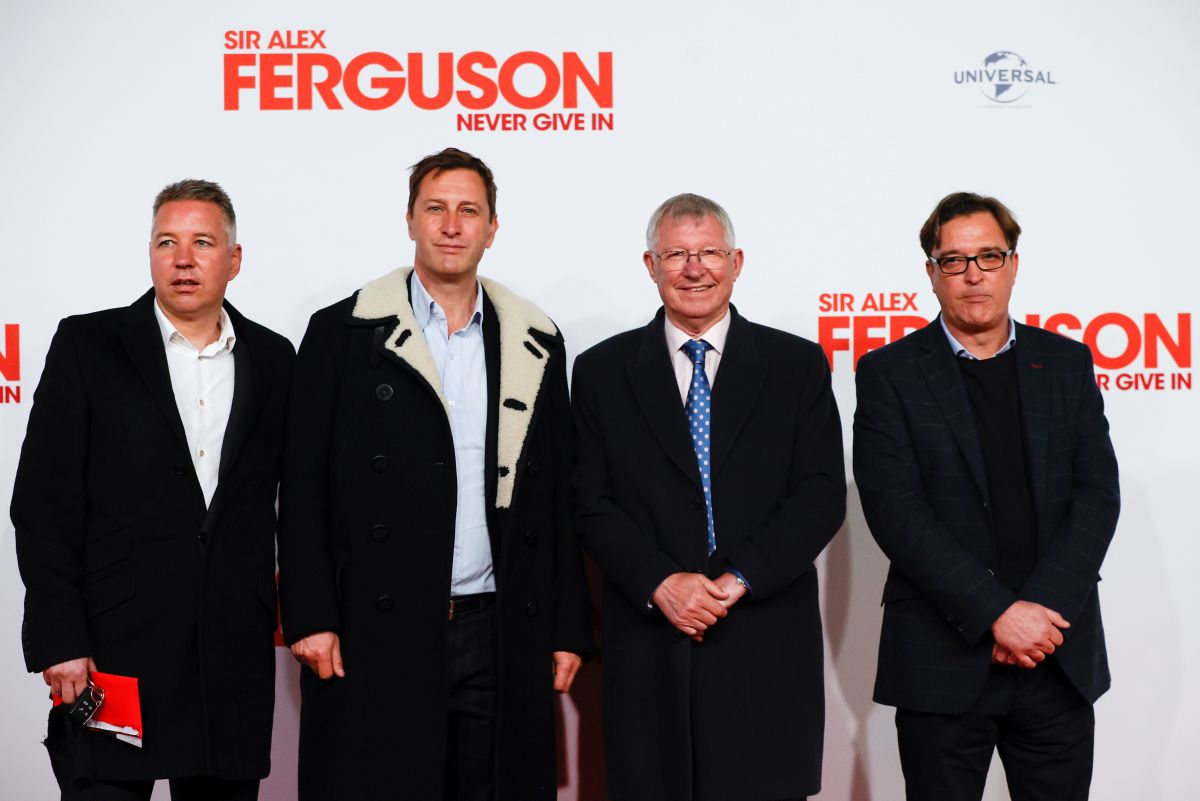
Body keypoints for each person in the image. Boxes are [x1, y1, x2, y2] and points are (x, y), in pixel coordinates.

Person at [277, 147, 593, 801]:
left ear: (492, 228)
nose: (452, 225)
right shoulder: (343, 333)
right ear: (411, 221)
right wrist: (309, 613)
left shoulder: (536, 337)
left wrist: (567, 627)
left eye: (468, 210)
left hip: (499, 630)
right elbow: (302, 482)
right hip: (375, 629)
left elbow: (556, 498)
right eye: (436, 209)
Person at [11, 179, 295, 800]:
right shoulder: (89, 346)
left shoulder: (276, 360)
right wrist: (61, 640)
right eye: (167, 242)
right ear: (150, 253)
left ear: (234, 259)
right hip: (113, 651)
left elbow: (297, 503)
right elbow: (43, 506)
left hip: (229, 653)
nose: (184, 259)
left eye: (202, 242)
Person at [571, 193, 846, 801]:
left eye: (709, 253)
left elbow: (821, 494)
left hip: (763, 638)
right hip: (650, 642)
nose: (694, 269)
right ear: (650, 265)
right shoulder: (600, 371)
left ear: (736, 261)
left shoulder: (796, 364)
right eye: (676, 254)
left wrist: (736, 579)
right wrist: (662, 582)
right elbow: (589, 500)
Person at [853, 192, 1120, 801]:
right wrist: (999, 614)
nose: (973, 275)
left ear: (1014, 264)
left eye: (989, 257)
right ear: (931, 272)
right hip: (942, 661)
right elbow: (896, 512)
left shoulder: (1067, 363)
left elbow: (1098, 495)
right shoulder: (888, 373)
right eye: (954, 261)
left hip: (1058, 654)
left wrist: (1040, 613)